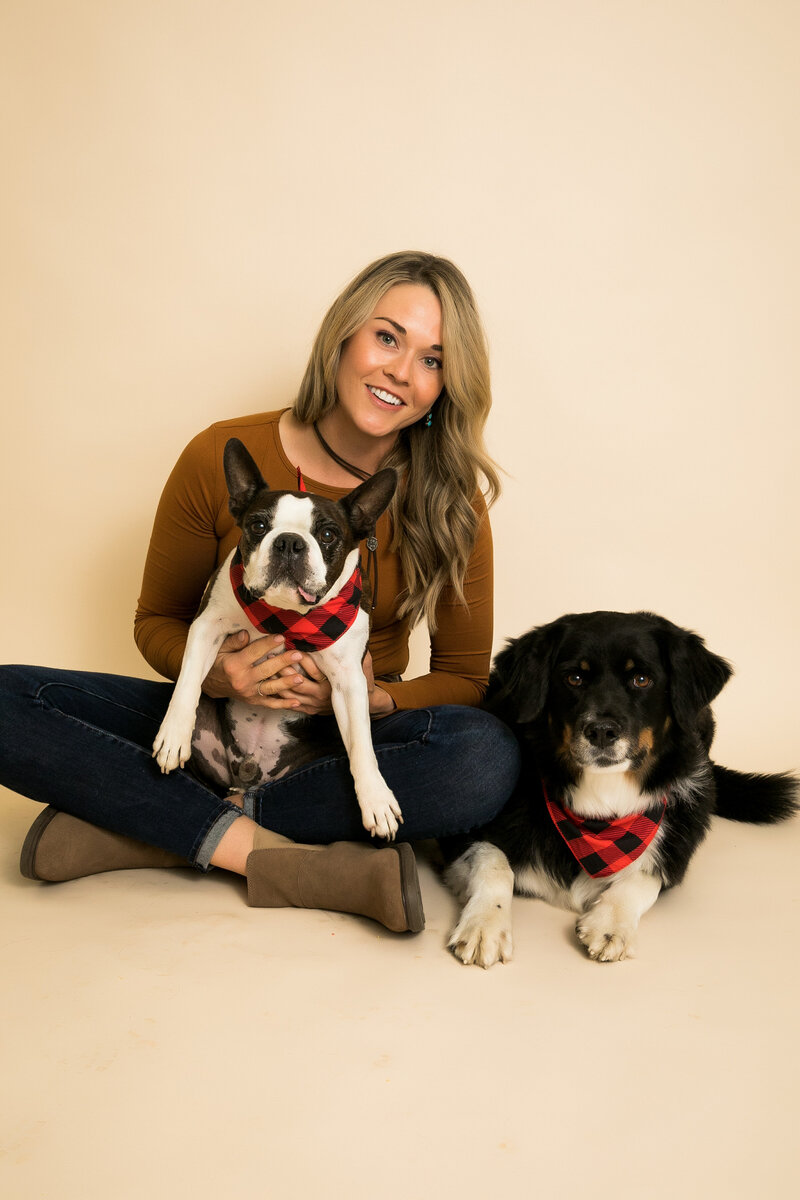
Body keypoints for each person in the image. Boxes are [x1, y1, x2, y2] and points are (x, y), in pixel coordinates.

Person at [0, 250, 520, 933]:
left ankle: (145, 825)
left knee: (485, 756)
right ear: (343, 337)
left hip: (332, 739)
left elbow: (464, 678)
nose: (401, 370)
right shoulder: (222, 450)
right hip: (208, 721)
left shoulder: (453, 501)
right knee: (7, 700)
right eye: (387, 337)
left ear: (447, 384)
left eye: (433, 358)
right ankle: (275, 856)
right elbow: (157, 619)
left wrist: (379, 693)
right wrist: (218, 675)